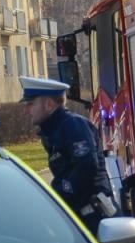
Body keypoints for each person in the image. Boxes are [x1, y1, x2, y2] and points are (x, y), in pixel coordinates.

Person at [21, 76, 117, 226]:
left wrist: (59, 194)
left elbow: (87, 167)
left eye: (31, 103)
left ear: (49, 104)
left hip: (96, 218)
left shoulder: (73, 125)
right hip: (80, 218)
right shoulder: (53, 131)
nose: (27, 110)